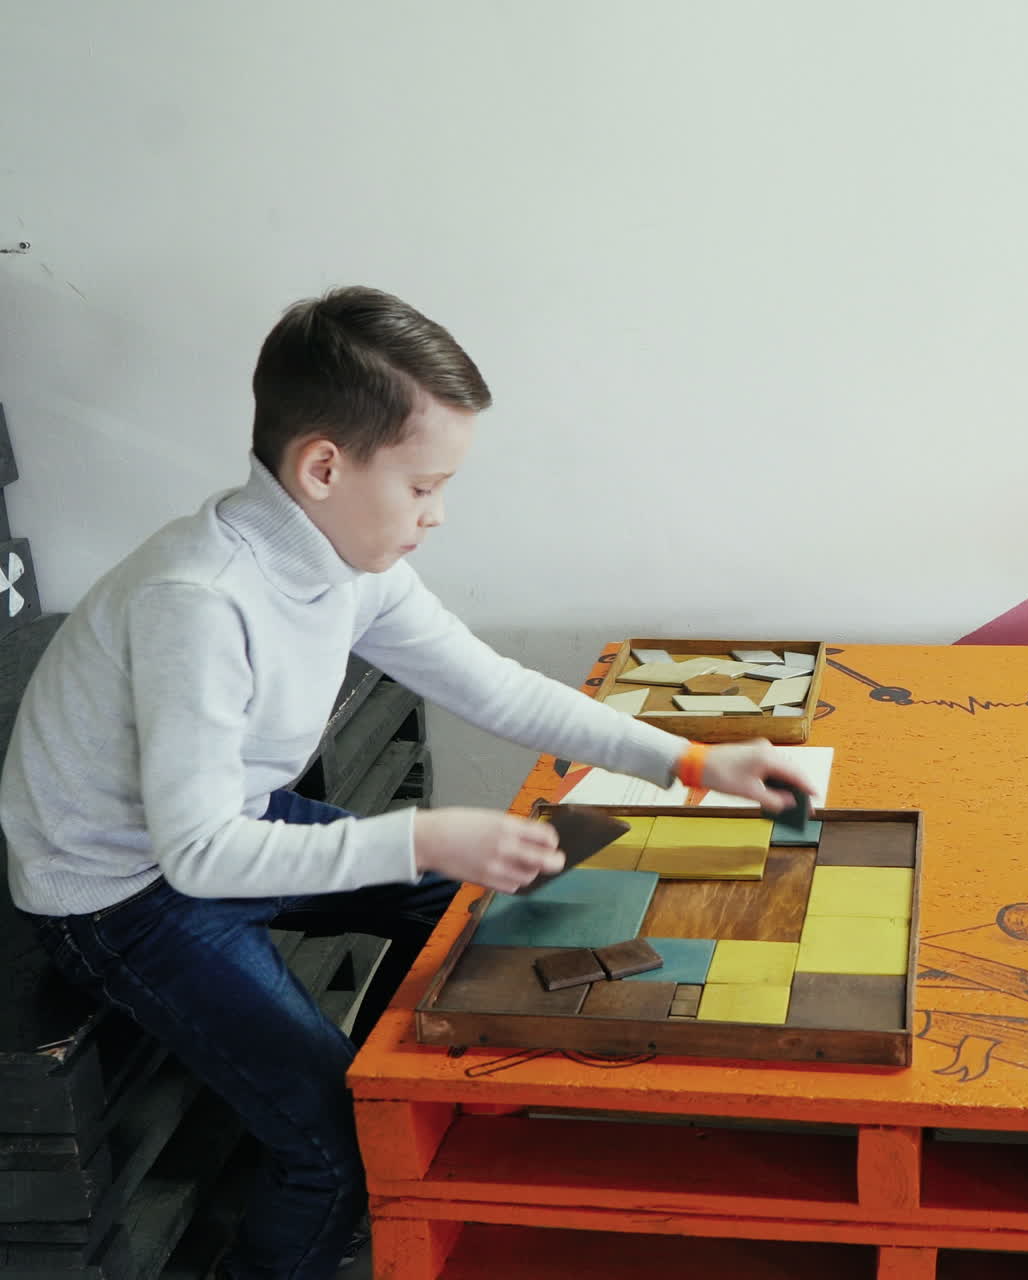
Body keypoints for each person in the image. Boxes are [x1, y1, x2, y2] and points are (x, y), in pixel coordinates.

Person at [0, 286, 814, 1279]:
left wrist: (690, 760)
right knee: (339, 1143)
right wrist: (422, 834)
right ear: (323, 466)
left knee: (496, 907)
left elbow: (491, 684)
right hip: (123, 888)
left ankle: (464, 1149)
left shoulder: (347, 557)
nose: (436, 515)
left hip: (228, 824)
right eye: (424, 485)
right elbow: (198, 854)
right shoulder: (199, 603)